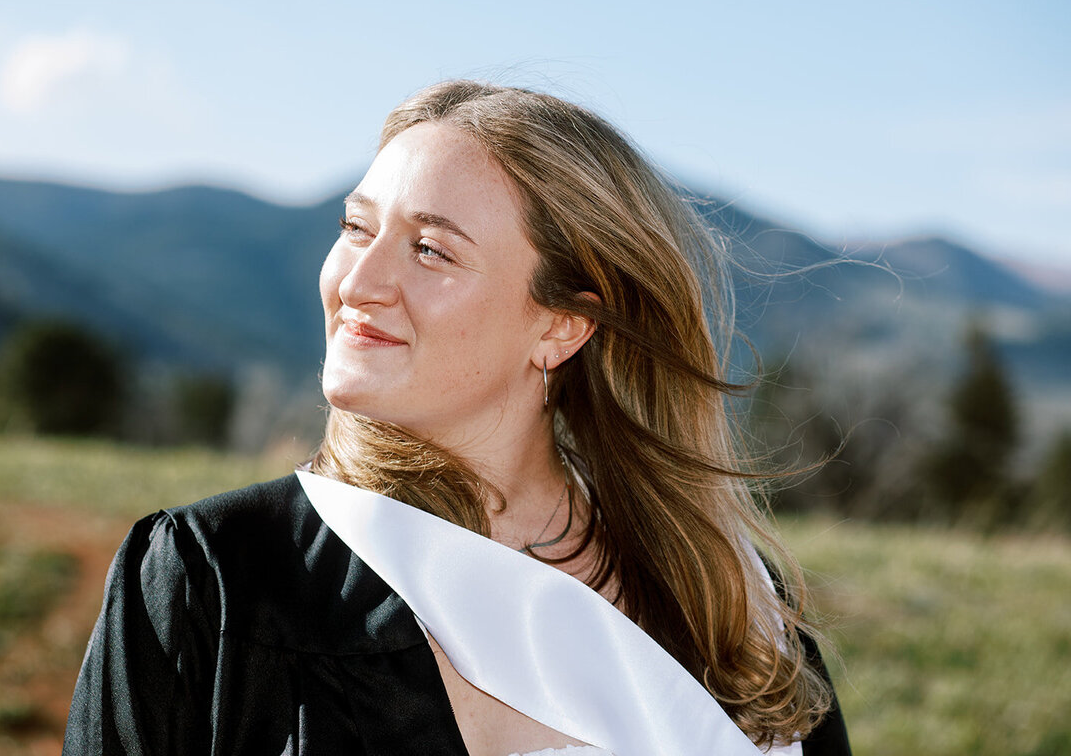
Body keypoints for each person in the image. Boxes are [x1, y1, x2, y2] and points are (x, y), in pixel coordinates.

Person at [63, 81, 851, 755]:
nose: (358, 283)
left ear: (561, 325)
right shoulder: (215, 579)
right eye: (356, 228)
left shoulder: (731, 601)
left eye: (431, 250)